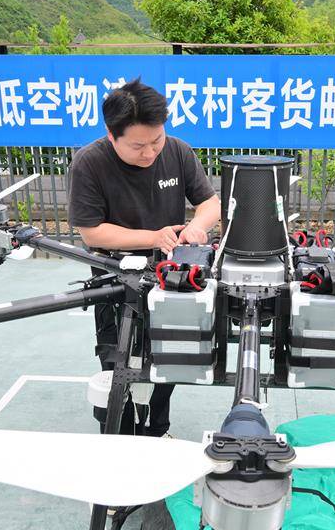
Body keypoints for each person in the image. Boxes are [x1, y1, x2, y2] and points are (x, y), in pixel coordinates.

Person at [67, 79, 221, 437]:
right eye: (138, 146)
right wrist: (153, 237)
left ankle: (158, 429)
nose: (150, 153)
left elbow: (210, 203)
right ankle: (120, 437)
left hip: (171, 277)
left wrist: (197, 226)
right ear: (112, 135)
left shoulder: (178, 151)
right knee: (117, 361)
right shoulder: (89, 163)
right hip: (115, 279)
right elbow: (92, 232)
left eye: (156, 140)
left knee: (171, 355)